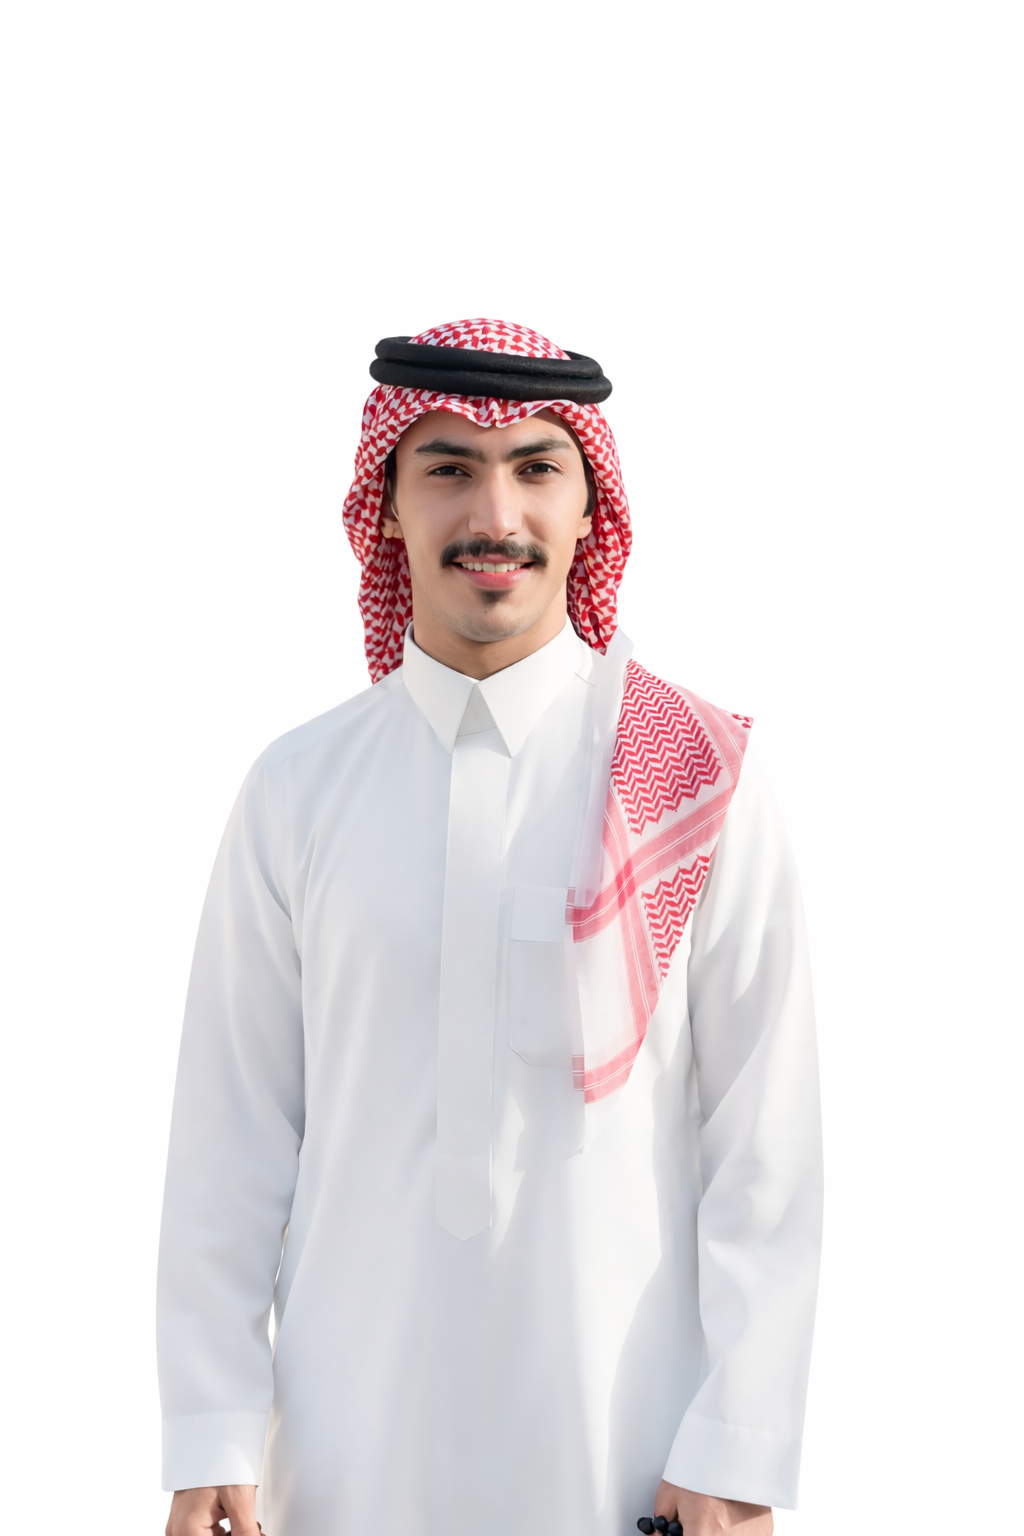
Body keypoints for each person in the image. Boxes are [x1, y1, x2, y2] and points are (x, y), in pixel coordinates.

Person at [158, 319, 823, 1536]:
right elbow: (230, 1138)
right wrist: (209, 1429)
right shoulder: (298, 789)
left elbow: (763, 1149)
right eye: (450, 468)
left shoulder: (692, 777)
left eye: (535, 469)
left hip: (625, 1459)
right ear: (386, 507)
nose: (495, 514)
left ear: (589, 508)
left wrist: (737, 1447)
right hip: (344, 1456)